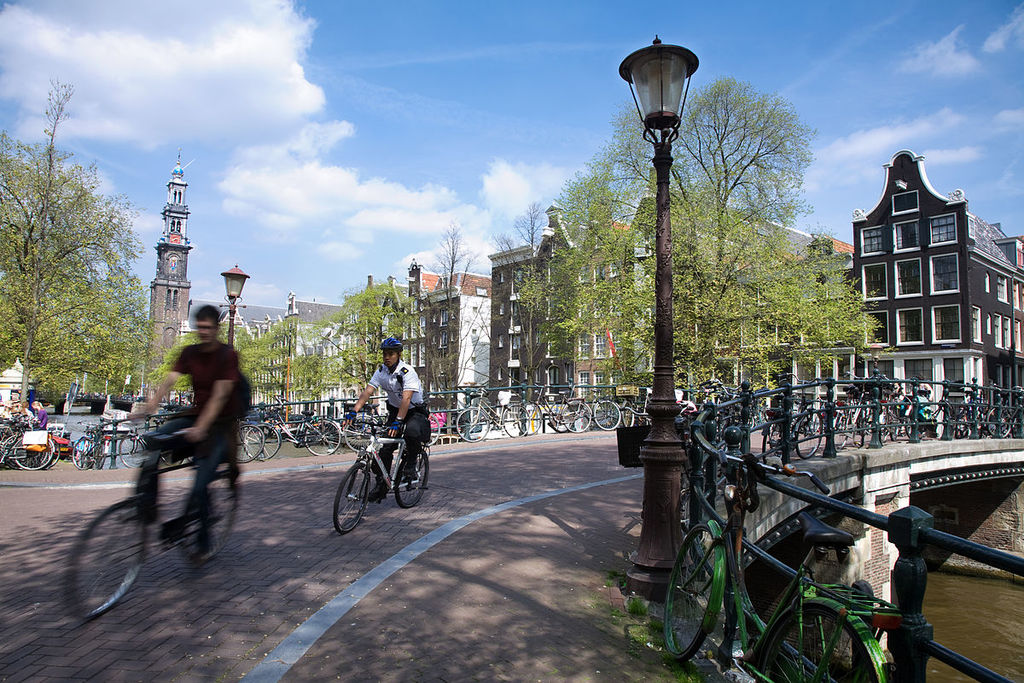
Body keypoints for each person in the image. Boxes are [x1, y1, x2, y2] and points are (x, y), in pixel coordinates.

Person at [136, 304, 239, 559]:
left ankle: (203, 539)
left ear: (216, 328)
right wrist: (150, 404)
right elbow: (169, 380)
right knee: (152, 440)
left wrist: (202, 427)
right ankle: (146, 504)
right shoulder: (189, 352)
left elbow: (221, 394)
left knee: (200, 484)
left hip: (219, 425)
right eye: (200, 328)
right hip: (193, 416)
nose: (203, 332)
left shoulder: (228, 355)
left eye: (208, 328)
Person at [344, 337, 429, 502]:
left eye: (391, 354)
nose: (387, 357)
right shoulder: (381, 371)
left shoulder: (407, 371)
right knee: (383, 449)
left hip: (413, 410)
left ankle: (411, 464)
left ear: (398, 355)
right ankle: (382, 483)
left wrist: (398, 421)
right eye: (385, 354)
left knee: (411, 432)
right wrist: (354, 411)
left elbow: (406, 399)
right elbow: (368, 391)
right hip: (395, 411)